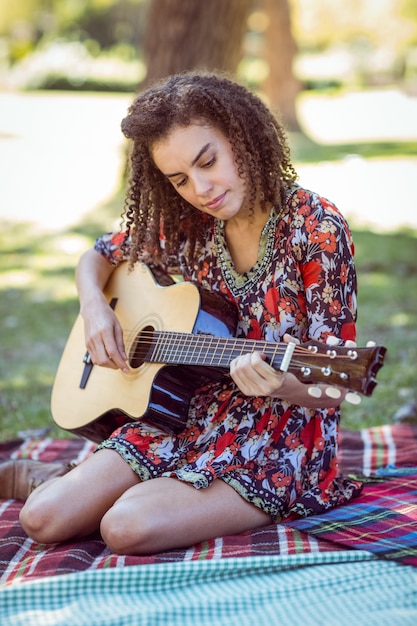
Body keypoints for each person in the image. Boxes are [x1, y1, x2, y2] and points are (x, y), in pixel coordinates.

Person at [17, 72, 362, 555]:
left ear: (241, 135)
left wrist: (280, 383)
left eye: (208, 161)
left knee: (125, 528)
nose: (201, 189)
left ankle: (130, 491)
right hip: (181, 414)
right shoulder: (188, 224)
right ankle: (68, 481)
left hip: (278, 440)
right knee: (41, 518)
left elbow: (335, 388)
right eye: (179, 179)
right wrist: (96, 308)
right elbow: (98, 255)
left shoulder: (315, 227)